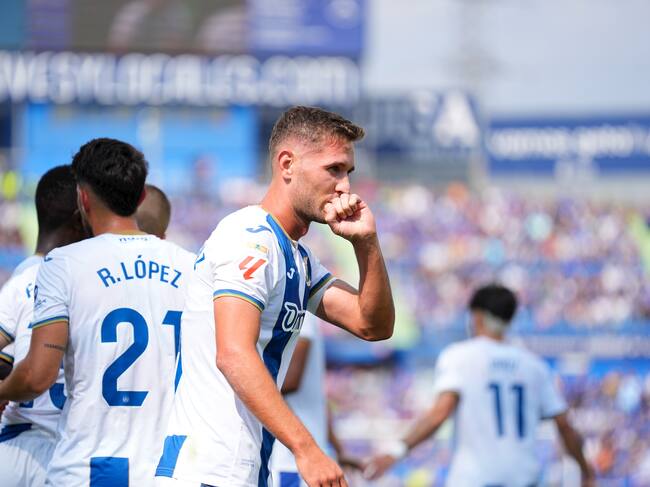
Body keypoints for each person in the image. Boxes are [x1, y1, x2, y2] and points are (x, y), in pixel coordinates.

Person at [156, 106, 394, 487]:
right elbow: (233, 353)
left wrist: (366, 244)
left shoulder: (296, 256)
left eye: (348, 173)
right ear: (287, 164)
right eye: (333, 169)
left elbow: (372, 325)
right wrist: (307, 448)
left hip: (239, 468)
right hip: (208, 469)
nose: (345, 186)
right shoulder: (249, 237)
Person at [0, 138, 195, 486]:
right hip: (169, 470)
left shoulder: (64, 264)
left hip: (88, 468)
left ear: (83, 198)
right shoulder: (192, 267)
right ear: (139, 198)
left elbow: (36, 376)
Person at [364, 284, 596, 487]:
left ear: (476, 316)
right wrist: (586, 472)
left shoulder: (459, 356)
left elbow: (439, 414)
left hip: (474, 479)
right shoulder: (534, 366)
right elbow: (565, 426)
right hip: (525, 478)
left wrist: (396, 451)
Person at [0, 165, 87, 486]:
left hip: (13, 449)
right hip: (71, 456)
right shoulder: (86, 282)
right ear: (83, 218)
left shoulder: (19, 282)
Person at [270, 313, 362, 487]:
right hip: (302, 458)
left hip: (290, 462)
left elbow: (290, 382)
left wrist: (243, 378)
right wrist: (339, 450)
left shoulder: (298, 312)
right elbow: (318, 402)